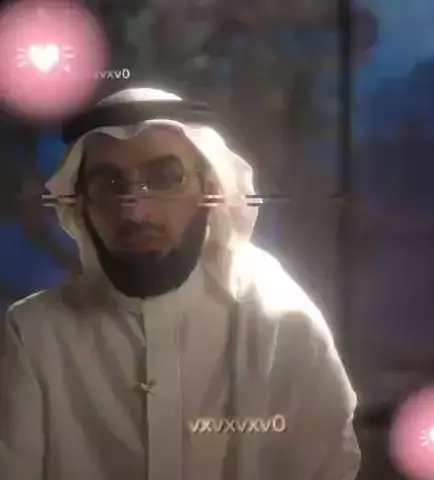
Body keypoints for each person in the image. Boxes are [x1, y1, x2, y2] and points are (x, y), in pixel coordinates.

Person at [0, 87, 360, 480]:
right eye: (109, 183)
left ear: (210, 190)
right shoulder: (33, 335)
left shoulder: (282, 327)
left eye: (165, 178)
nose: (136, 211)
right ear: (82, 203)